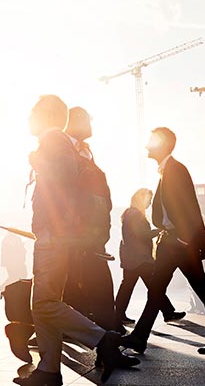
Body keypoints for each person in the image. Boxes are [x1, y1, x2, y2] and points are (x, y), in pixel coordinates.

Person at [14, 95, 137, 386]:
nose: (28, 118)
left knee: (44, 303)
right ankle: (48, 370)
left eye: (32, 112)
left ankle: (101, 338)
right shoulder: (58, 142)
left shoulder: (53, 141)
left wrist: (37, 161)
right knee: (44, 303)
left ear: (45, 115)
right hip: (56, 235)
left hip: (53, 237)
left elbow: (64, 180)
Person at [121, 127, 205, 356]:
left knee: (200, 289)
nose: (146, 146)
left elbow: (190, 205)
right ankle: (140, 338)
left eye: (151, 141)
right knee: (158, 291)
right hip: (172, 243)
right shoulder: (166, 171)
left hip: (179, 244)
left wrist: (185, 239)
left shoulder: (175, 170)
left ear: (162, 145)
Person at [60, 107, 121, 332]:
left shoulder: (85, 150)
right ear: (76, 120)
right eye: (88, 121)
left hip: (91, 233)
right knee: (77, 283)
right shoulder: (64, 148)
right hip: (76, 233)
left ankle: (107, 330)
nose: (91, 126)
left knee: (91, 282)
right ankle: (106, 332)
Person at [115, 188, 185, 324]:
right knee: (155, 286)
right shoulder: (135, 214)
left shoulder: (129, 213)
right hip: (140, 258)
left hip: (131, 257)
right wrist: (160, 230)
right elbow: (142, 234)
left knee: (128, 286)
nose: (150, 203)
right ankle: (168, 312)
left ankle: (118, 315)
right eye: (149, 199)